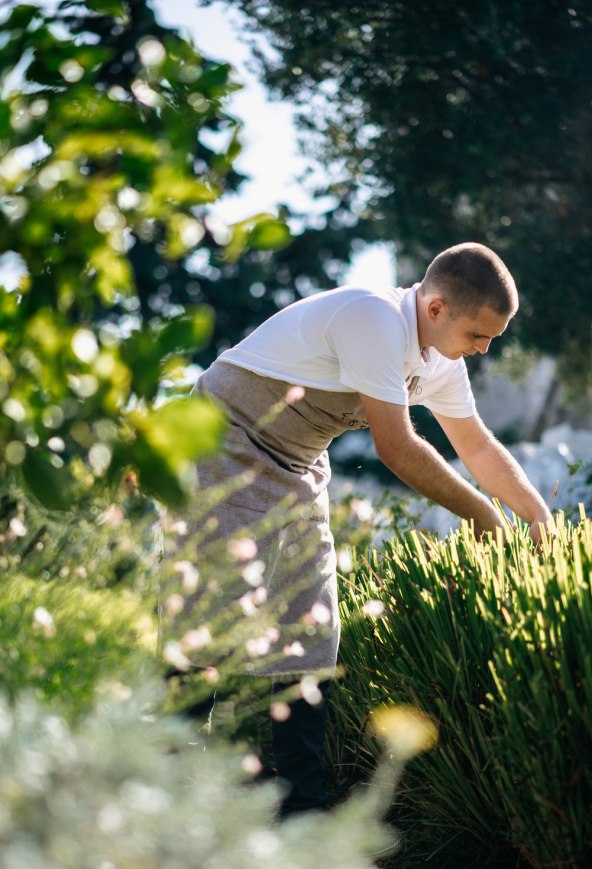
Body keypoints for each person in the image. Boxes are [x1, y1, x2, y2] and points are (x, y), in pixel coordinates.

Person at [174, 242, 552, 817]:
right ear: (436, 309)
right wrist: (481, 514)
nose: (483, 349)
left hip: (295, 464)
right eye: (479, 335)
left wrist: (536, 514)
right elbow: (396, 448)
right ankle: (162, 783)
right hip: (222, 440)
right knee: (214, 613)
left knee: (310, 626)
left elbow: (473, 443)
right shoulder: (373, 317)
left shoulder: (441, 361)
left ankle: (300, 810)